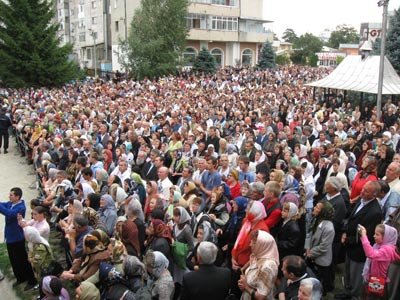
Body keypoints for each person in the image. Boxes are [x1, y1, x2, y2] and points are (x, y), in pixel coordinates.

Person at [337, 181, 383, 300]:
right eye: (363, 188)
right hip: (350, 245)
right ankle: (347, 292)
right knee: (348, 273)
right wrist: (345, 233)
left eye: (366, 191)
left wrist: (348, 239)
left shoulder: (375, 212)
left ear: (374, 195)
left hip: (359, 251)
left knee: (356, 277)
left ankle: (354, 296)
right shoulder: (361, 200)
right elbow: (352, 219)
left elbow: (365, 235)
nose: (362, 191)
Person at [0, 187, 37, 290]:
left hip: (17, 238)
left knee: (23, 260)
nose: (9, 196)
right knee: (14, 260)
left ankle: (32, 281)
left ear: (17, 197)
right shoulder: (10, 203)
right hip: (10, 238)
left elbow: (9, 213)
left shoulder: (21, 208)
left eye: (11, 195)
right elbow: (4, 205)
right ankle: (20, 278)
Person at [358, 224, 399, 298]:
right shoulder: (379, 245)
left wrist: (364, 236)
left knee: (372, 297)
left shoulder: (387, 250)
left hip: (377, 281)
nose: (374, 236)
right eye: (374, 233)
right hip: (372, 277)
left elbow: (370, 254)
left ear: (386, 237)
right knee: (367, 295)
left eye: (377, 234)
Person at [238, 230, 279, 300]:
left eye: (253, 243)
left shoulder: (268, 267)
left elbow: (261, 297)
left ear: (262, 245)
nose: (250, 244)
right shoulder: (258, 256)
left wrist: (246, 286)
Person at [305, 200, 335, 295]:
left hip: (321, 260)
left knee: (320, 281)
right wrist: (307, 247)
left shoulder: (329, 228)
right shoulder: (316, 219)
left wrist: (310, 253)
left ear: (323, 212)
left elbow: (324, 247)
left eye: (317, 207)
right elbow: (309, 234)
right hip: (311, 255)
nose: (314, 208)